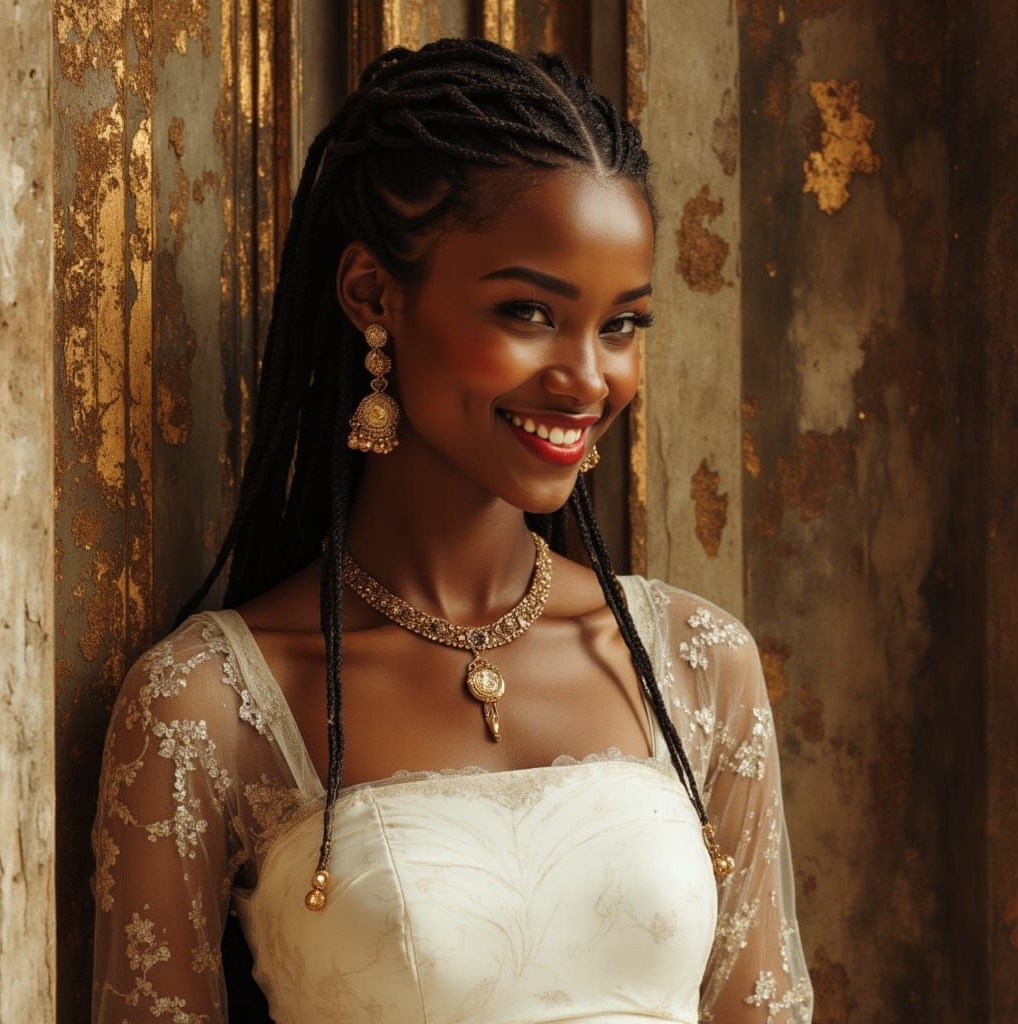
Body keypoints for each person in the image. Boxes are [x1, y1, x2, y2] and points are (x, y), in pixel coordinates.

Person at [90, 36, 813, 1024]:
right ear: (372, 295)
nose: (589, 377)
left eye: (621, 324)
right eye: (529, 310)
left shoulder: (694, 665)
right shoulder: (207, 706)